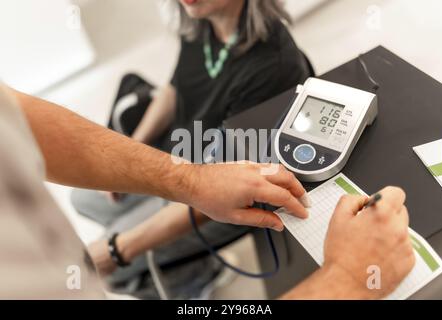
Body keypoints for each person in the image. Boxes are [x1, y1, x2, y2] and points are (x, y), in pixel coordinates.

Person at [0, 85, 415, 299]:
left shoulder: (270, 66)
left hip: (201, 179)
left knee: (112, 248)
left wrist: (191, 180)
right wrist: (346, 280)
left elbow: (19, 118)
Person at [71, 0, 314, 296]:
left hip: (224, 196)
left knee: (114, 273)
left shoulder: (272, 67)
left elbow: (220, 190)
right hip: (187, 155)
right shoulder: (201, 23)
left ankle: (201, 276)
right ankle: (180, 257)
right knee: (82, 197)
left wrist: (117, 249)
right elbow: (175, 87)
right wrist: (130, 149)